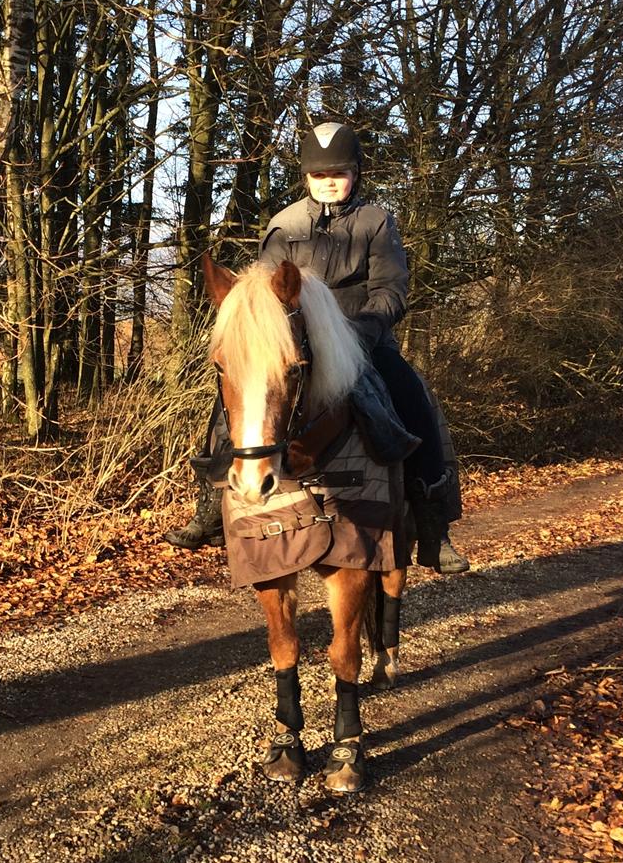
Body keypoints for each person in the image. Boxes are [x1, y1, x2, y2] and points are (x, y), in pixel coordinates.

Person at [165, 121, 469, 574]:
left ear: (357, 174)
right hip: (298, 341)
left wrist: (360, 331)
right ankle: (210, 503)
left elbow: (390, 290)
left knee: (413, 399)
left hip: (363, 340)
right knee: (233, 400)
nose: (329, 182)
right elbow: (262, 290)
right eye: (319, 175)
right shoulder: (284, 224)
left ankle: (431, 522)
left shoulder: (377, 222)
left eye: (339, 173)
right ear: (306, 177)